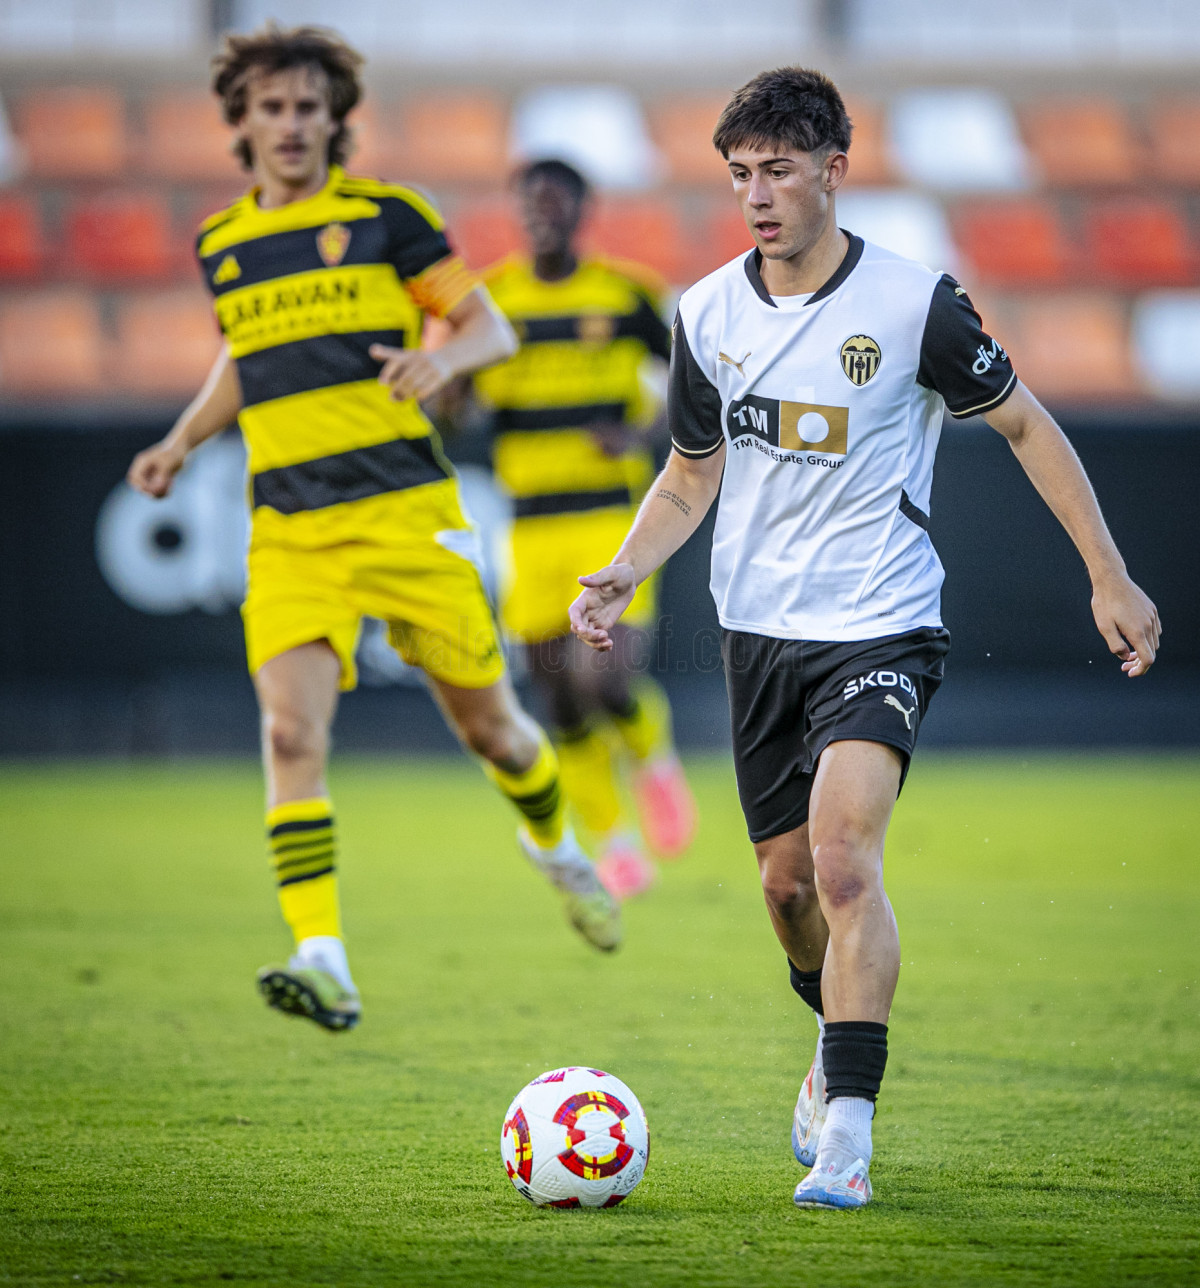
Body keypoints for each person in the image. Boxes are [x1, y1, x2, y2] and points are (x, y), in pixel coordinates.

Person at [569, 66, 1160, 1208]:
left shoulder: (913, 304)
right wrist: (626, 569)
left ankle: (847, 1131)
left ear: (834, 170)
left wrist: (1108, 572)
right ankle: (829, 1030)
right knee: (787, 889)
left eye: (779, 171)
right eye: (739, 174)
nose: (757, 196)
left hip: (883, 622)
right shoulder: (706, 314)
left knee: (844, 860)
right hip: (757, 636)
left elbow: (1027, 426)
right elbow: (691, 472)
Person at [126, 24, 621, 1035]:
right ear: (242, 122)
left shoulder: (388, 218)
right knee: (288, 733)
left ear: (335, 118)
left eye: (308, 107)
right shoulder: (222, 244)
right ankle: (324, 958)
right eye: (272, 107)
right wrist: (179, 441)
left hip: (405, 519)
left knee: (493, 731)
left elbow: (488, 326)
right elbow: (244, 359)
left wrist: (443, 360)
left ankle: (557, 845)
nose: (291, 124)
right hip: (290, 531)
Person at [465, 158, 697, 899]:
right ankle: (616, 843)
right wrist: (445, 380)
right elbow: (453, 404)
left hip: (607, 519)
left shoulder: (625, 296)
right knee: (560, 698)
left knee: (605, 679)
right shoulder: (491, 304)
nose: (543, 213)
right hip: (529, 529)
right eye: (530, 202)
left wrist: (639, 434)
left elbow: (693, 384)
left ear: (580, 210)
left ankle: (652, 755)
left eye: (556, 200)